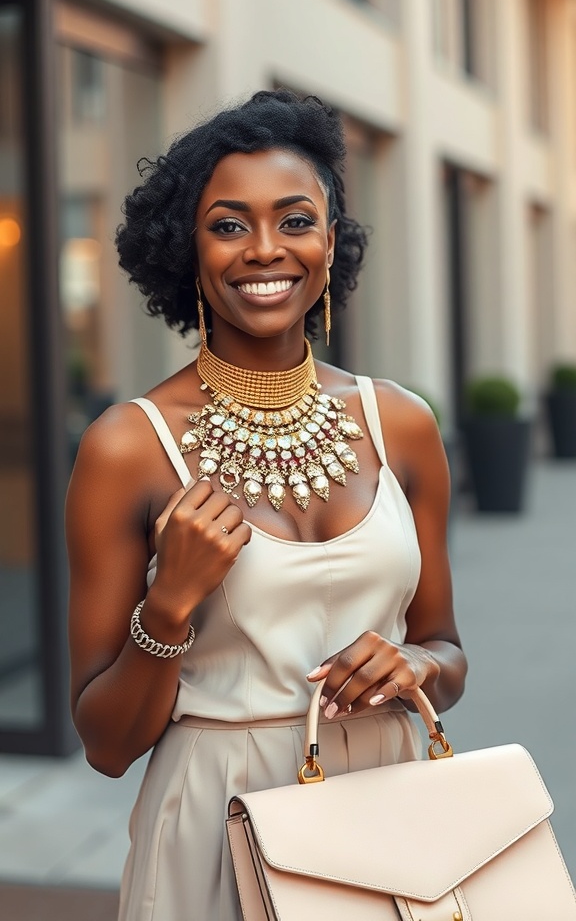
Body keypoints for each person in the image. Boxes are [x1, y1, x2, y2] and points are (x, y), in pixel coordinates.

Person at [66, 89, 467, 921]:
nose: (263, 250)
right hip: (216, 829)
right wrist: (169, 603)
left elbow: (447, 649)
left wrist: (417, 665)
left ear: (330, 240)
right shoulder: (127, 446)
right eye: (227, 224)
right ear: (187, 248)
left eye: (294, 220)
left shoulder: (400, 424)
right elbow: (106, 745)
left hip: (390, 815)